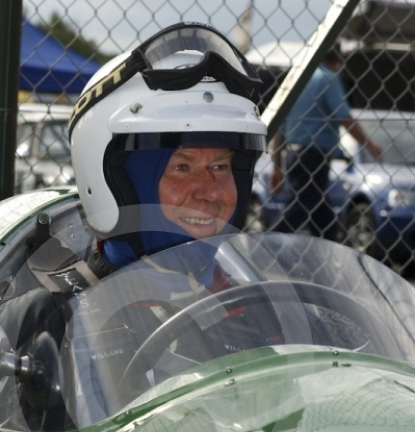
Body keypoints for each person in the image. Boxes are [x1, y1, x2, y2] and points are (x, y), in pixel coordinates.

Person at [67, 22, 267, 292]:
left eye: (220, 166)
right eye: (182, 167)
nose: (211, 193)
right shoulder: (57, 322)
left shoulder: (264, 310)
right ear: (112, 181)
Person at [269, 42, 382, 240]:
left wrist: (277, 164)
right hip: (314, 156)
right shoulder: (328, 79)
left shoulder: (298, 79)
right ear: (338, 59)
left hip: (294, 155)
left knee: (322, 216)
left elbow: (280, 127)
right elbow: (344, 117)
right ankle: (266, 244)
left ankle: (327, 257)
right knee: (298, 209)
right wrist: (370, 145)